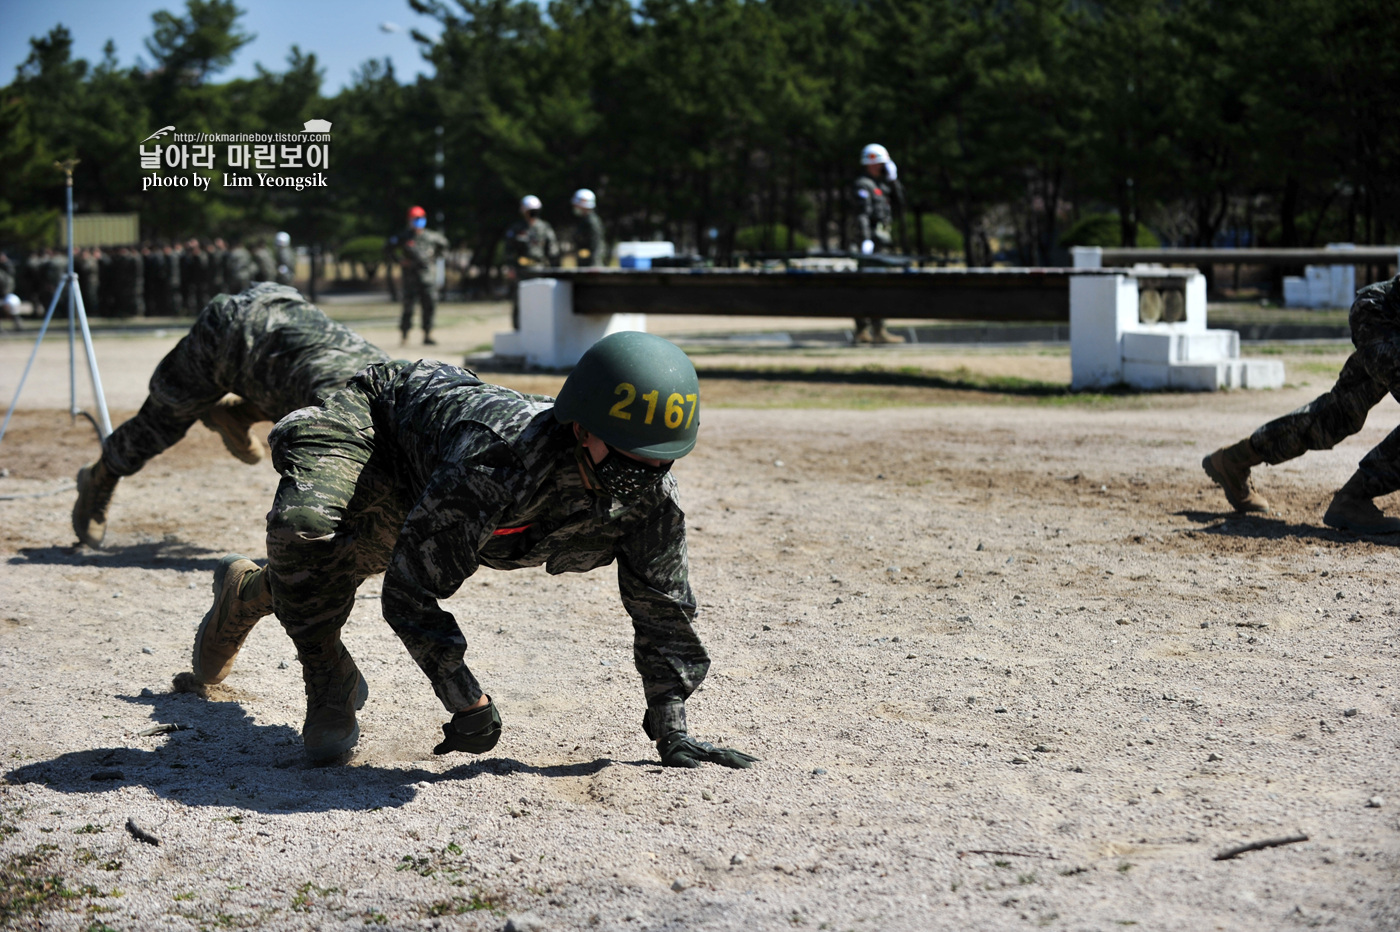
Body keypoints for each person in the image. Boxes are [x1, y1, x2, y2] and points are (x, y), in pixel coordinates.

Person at [189, 331, 758, 771]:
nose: (648, 470)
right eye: (631, 453)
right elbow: (410, 594)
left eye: (661, 457)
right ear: (581, 427)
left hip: (438, 477)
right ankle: (326, 675)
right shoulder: (497, 462)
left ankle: (247, 592)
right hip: (381, 427)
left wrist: (671, 724)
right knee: (307, 531)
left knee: (346, 565)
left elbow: (662, 605)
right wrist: (467, 701)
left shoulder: (650, 493)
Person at [70, 283, 389, 548]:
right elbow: (307, 500)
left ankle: (235, 416)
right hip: (225, 335)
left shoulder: (398, 384)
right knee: (161, 423)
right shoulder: (348, 421)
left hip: (281, 321)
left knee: (299, 398)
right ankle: (101, 476)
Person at [1204, 273, 1400, 534]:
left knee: (1336, 416)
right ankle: (1353, 500)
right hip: (1383, 315)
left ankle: (1235, 459)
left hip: (1384, 315)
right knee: (1339, 414)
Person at [852, 143, 906, 345]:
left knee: (880, 285)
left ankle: (879, 329)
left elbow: (901, 203)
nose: (882, 166)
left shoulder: (883, 185)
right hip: (870, 243)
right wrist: (866, 239)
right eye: (880, 163)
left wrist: (894, 181)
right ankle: (862, 330)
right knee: (866, 285)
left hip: (882, 241)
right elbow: (862, 215)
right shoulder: (863, 184)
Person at [388, 206, 449, 346]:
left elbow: (444, 246)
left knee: (430, 305)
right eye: (415, 219)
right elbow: (388, 249)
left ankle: (428, 334)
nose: (418, 221)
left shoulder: (431, 236)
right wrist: (400, 261)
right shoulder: (403, 236)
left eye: (420, 218)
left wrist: (435, 257)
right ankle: (404, 335)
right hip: (410, 278)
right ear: (409, 220)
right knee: (408, 308)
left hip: (428, 278)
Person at [570, 188, 606, 267]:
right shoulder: (584, 220)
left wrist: (594, 264)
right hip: (585, 263)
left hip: (591, 265)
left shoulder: (592, 221)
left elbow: (597, 244)